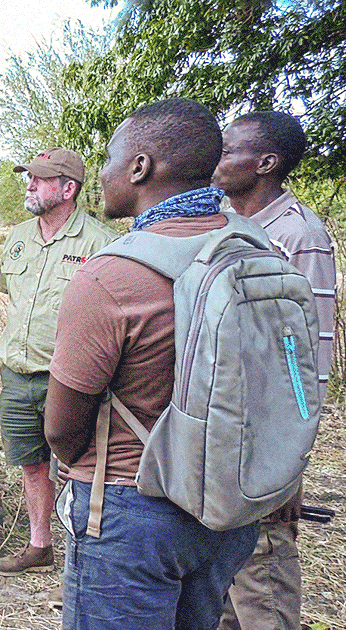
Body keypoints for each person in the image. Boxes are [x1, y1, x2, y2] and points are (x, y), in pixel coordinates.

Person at [45, 97, 260, 629]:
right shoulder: (259, 252)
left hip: (129, 508)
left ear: (141, 167)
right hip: (232, 505)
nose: (103, 173)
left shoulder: (111, 275)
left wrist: (80, 467)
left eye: (110, 159)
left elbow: (61, 428)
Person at [213, 111, 336, 630]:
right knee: (218, 586)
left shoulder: (299, 234)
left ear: (265, 163)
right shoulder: (219, 220)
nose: (217, 158)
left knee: (262, 581)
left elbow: (310, 359)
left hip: (264, 445)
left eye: (228, 149)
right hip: (218, 433)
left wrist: (288, 469)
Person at [0, 147, 116, 578]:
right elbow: (11, 291)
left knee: (81, 467)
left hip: (71, 378)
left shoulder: (101, 243)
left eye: (40, 179)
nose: (30, 184)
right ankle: (39, 545)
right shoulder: (19, 235)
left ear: (68, 188)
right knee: (32, 462)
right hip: (18, 374)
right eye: (29, 177)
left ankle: (84, 560)